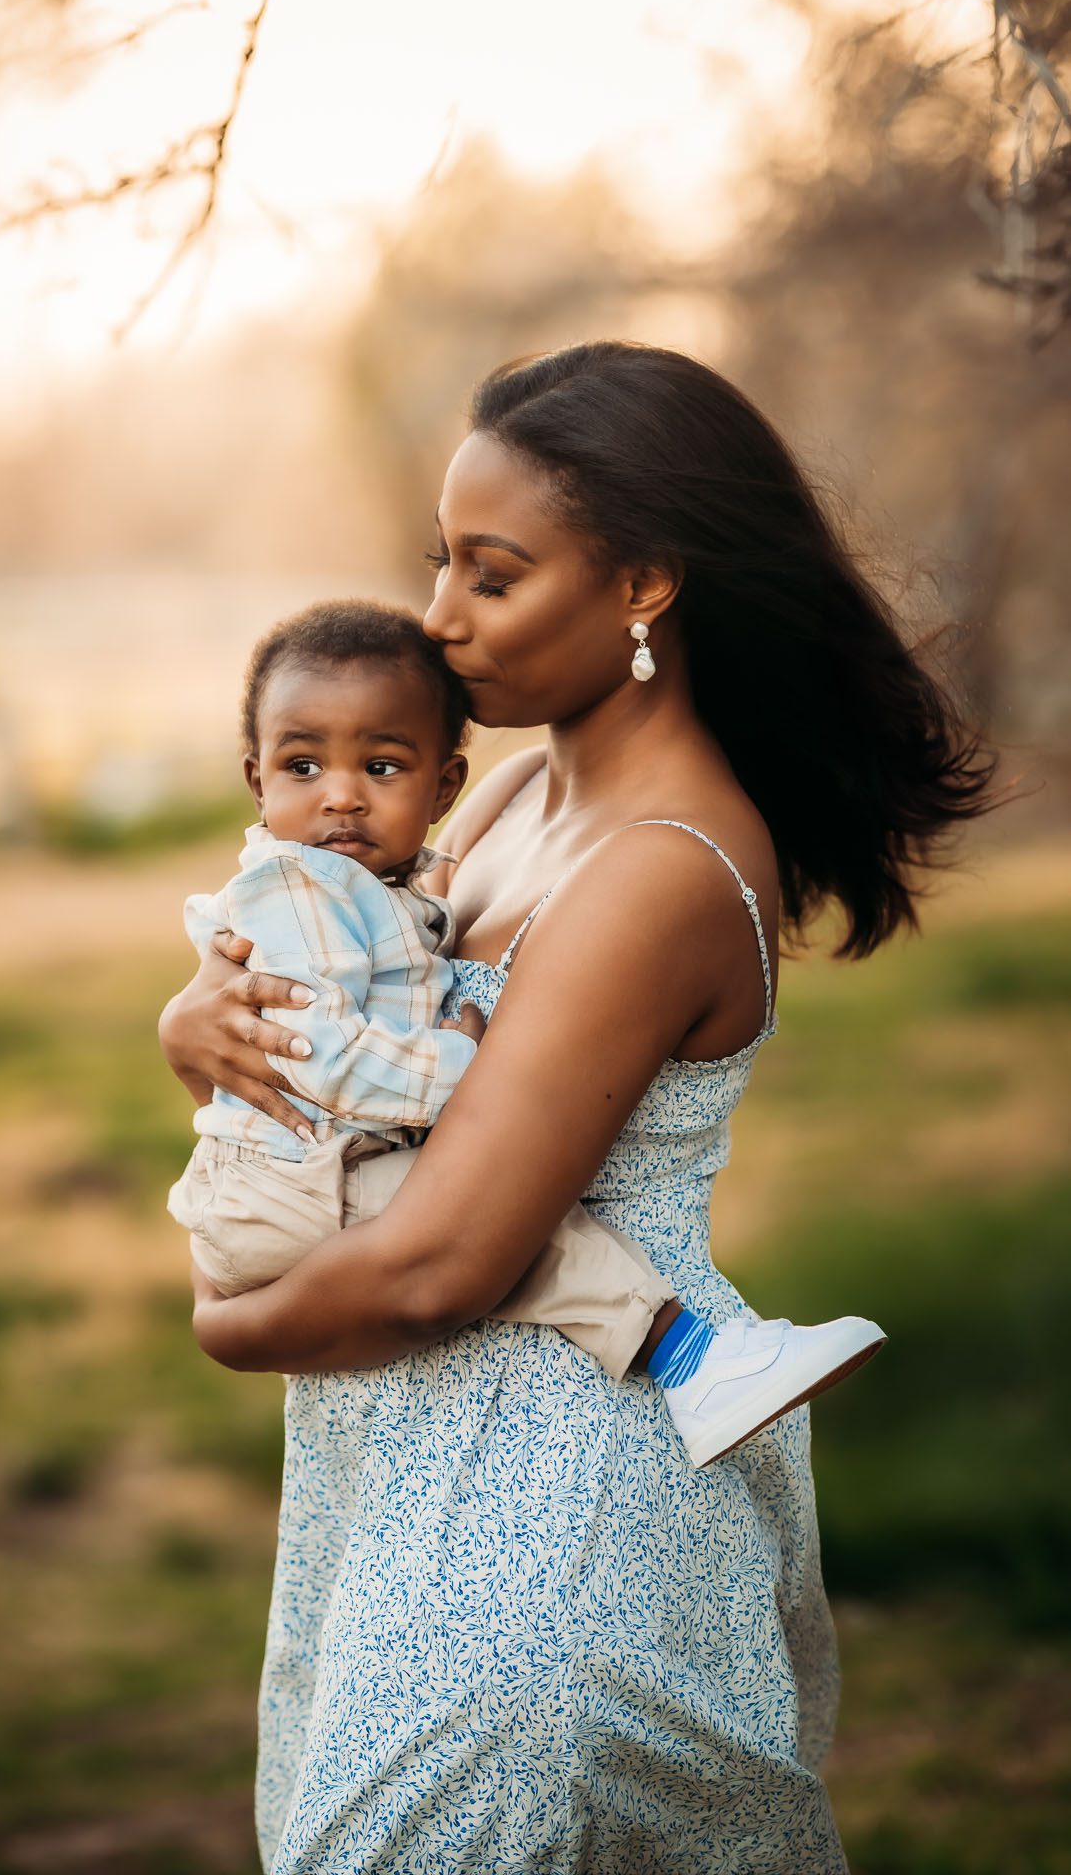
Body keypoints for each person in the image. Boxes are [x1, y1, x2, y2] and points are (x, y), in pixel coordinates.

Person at [159, 342, 1001, 1873]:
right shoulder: (506, 792)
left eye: (492, 574)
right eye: (441, 563)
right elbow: (339, 992)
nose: (439, 617)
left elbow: (440, 1263)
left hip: (543, 1518)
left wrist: (223, 1323)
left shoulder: (655, 867)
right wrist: (196, 1021)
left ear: (640, 586)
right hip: (411, 1462)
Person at [171, 595, 884, 1459]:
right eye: (303, 767)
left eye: (383, 769)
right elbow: (324, 1059)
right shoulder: (304, 892)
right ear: (258, 780)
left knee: (484, 1219)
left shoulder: (405, 876)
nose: (342, 799)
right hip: (298, 1189)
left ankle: (699, 1361)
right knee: (534, 1239)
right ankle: (692, 1361)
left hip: (331, 1199)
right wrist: (469, 1063)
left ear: (443, 787)